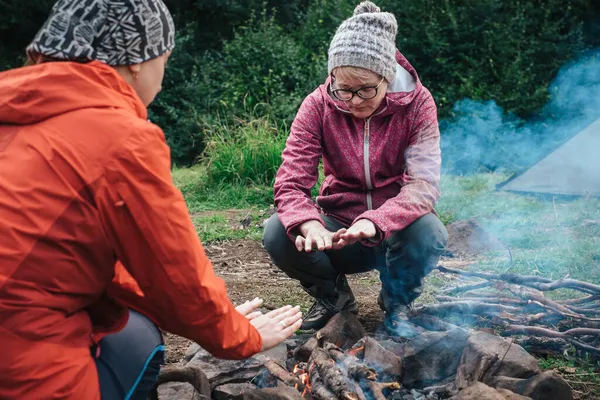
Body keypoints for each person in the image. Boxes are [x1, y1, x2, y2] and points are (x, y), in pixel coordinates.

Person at [0, 0, 302, 398]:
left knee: (129, 320)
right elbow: (175, 280)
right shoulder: (120, 138)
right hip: (21, 362)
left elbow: (89, 261)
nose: (162, 78)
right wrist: (240, 336)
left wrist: (222, 320)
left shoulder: (16, 107)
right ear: (138, 60)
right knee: (138, 337)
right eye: (165, 59)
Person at [263, 1, 448, 331]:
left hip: (394, 230)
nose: (354, 100)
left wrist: (376, 222)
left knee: (429, 231)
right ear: (333, 76)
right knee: (278, 231)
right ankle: (334, 299)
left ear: (387, 76)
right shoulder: (318, 104)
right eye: (344, 89)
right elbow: (291, 181)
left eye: (365, 89)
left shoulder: (419, 104)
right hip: (338, 232)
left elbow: (423, 185)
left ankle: (397, 302)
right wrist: (310, 226)